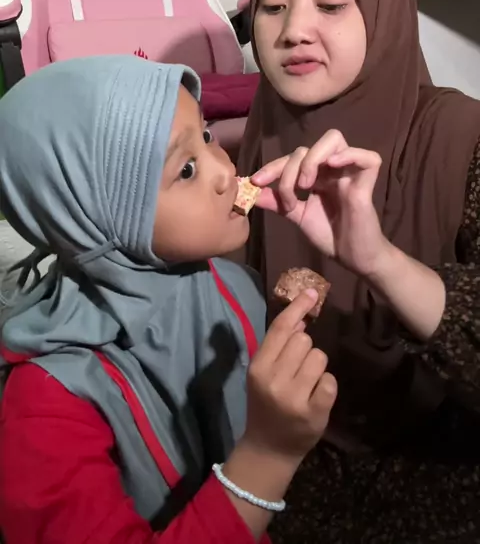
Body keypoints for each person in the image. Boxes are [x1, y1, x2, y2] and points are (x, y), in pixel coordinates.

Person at [0, 55, 338, 544]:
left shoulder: (233, 286)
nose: (224, 170)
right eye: (186, 169)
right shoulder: (44, 408)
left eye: (206, 134)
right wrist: (268, 455)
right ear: (96, 218)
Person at [237, 0, 480, 543]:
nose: (294, 30)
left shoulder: (463, 140)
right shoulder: (255, 141)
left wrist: (377, 259)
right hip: (285, 472)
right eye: (272, 6)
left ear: (384, 11)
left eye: (331, 4)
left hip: (441, 480)